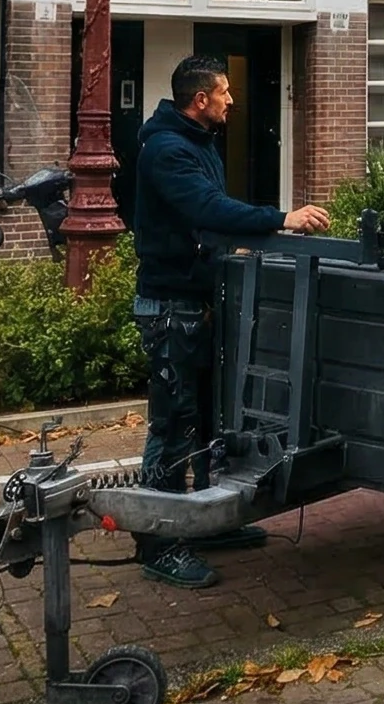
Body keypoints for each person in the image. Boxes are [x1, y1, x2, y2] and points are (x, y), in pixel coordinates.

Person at [131, 54, 330, 589]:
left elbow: (215, 206)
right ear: (201, 100)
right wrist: (279, 219)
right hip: (171, 308)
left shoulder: (196, 141)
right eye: (224, 92)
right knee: (172, 424)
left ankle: (202, 521)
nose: (231, 100)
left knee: (208, 418)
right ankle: (158, 541)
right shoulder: (169, 150)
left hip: (198, 300)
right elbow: (206, 209)